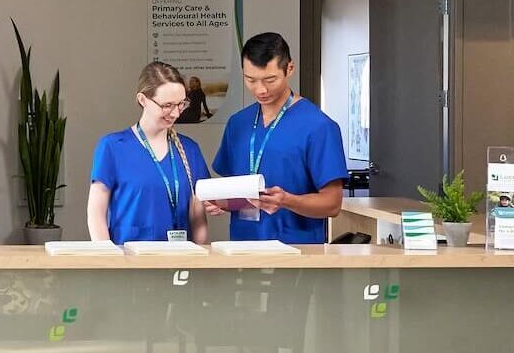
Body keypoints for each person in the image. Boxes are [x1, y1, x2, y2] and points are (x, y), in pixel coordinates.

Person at [209, 32, 347, 243]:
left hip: (296, 251)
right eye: (251, 80)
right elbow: (240, 196)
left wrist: (287, 201)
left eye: (270, 79)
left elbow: (332, 204)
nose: (260, 89)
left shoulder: (319, 126)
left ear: (289, 69)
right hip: (241, 251)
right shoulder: (238, 124)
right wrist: (219, 202)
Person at [88, 61, 213, 244]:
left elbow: (199, 219)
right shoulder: (112, 147)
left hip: (180, 263)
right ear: (142, 100)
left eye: (181, 104)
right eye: (167, 105)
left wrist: (197, 260)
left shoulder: (190, 150)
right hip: (127, 263)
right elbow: (96, 213)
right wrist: (108, 258)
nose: (175, 113)